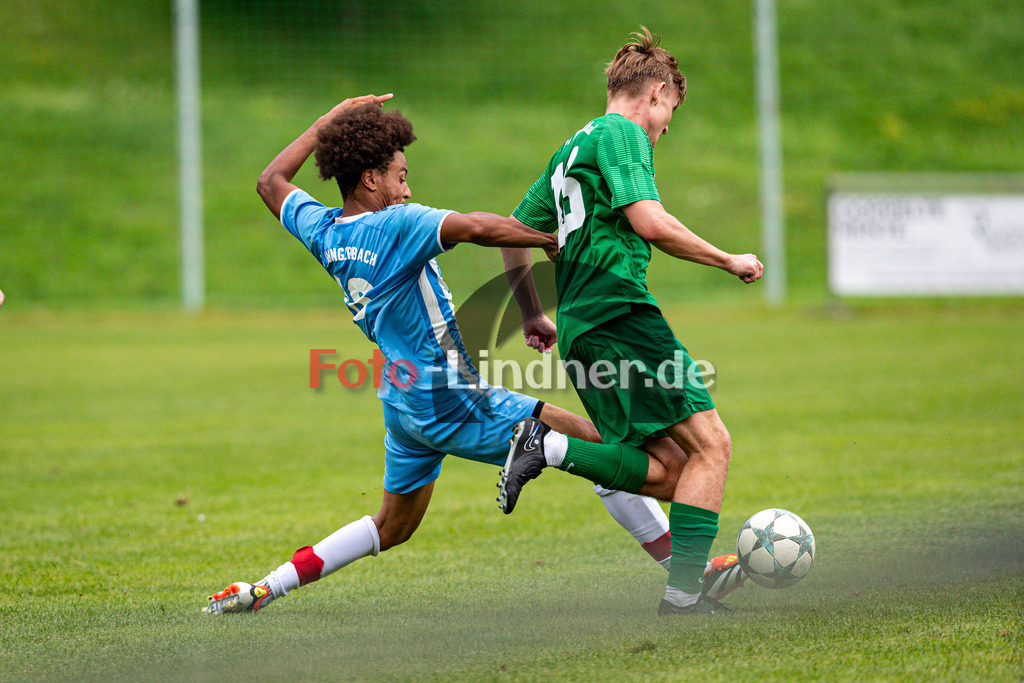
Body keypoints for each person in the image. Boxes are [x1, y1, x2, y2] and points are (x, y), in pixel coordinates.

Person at [202, 94, 735, 614]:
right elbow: (478, 226)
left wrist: (327, 123)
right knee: (608, 448)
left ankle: (264, 588)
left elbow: (270, 182)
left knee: (393, 526)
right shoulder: (395, 226)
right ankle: (686, 574)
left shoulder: (323, 230)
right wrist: (545, 238)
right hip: (451, 396)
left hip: (402, 399)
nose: (407, 187)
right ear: (370, 179)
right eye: (400, 175)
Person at [497, 28, 761, 616]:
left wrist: (533, 312)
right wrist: (728, 259)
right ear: (657, 93)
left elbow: (512, 233)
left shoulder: (570, 149)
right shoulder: (621, 133)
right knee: (713, 445)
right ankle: (682, 595)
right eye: (669, 114)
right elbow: (650, 222)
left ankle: (554, 450)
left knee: (671, 470)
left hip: (582, 326)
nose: (665, 129)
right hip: (620, 313)